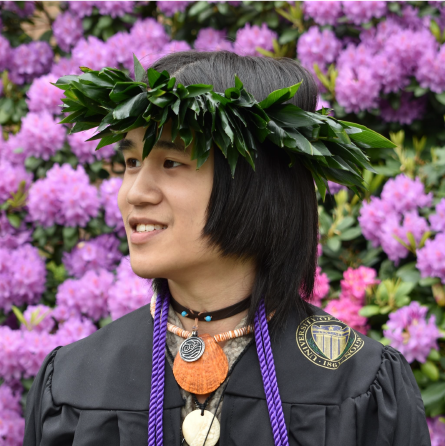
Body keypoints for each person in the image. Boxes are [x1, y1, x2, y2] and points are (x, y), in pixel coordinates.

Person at [23, 50, 431, 446]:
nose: (135, 193)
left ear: (254, 184)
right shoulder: (73, 384)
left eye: (171, 163)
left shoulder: (360, 384)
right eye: (131, 163)